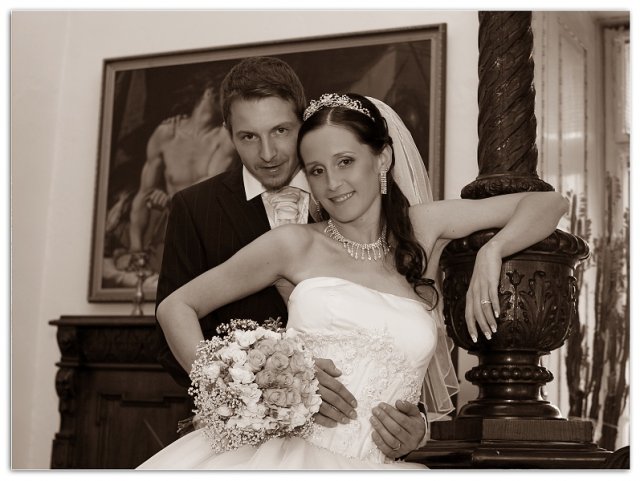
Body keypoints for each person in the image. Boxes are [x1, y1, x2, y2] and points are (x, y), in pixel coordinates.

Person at [139, 93, 568, 469]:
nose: (332, 184)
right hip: (285, 458)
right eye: (316, 170)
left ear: (382, 158)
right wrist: (246, 390)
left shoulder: (424, 229)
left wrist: (493, 251)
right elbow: (176, 307)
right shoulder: (293, 244)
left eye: (345, 162)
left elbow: (548, 203)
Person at [154, 58, 426, 455]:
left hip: (356, 449)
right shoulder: (195, 209)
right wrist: (263, 389)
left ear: (303, 123)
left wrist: (416, 425)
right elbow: (172, 330)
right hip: (243, 447)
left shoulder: (351, 196)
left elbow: (394, 330)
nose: (267, 153)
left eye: (281, 131)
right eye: (248, 136)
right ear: (228, 134)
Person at [128, 73, 238, 273]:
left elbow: (211, 183)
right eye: (230, 95)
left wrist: (170, 198)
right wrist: (136, 250)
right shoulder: (166, 134)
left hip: (210, 236)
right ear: (210, 92)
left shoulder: (225, 137)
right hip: (171, 234)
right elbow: (143, 195)